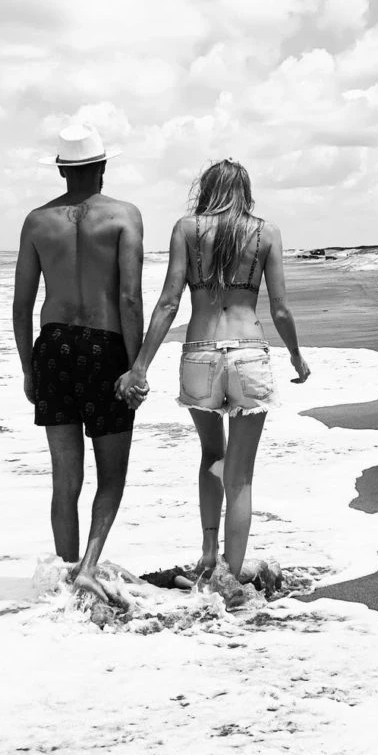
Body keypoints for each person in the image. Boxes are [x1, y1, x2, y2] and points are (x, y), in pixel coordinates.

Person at [116, 158, 310, 595]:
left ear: (205, 190)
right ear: (246, 192)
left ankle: (208, 553)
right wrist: (296, 355)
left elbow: (168, 302)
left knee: (211, 455)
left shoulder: (187, 229)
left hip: (200, 354)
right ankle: (230, 577)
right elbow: (279, 308)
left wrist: (140, 365)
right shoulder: (266, 233)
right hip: (249, 355)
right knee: (240, 474)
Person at [13, 124, 145, 601]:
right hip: (105, 349)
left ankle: (67, 580)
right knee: (112, 475)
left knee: (65, 478)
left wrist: (29, 368)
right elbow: (129, 299)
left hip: (53, 348)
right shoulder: (124, 216)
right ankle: (88, 567)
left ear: (61, 171)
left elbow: (21, 305)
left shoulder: (37, 222)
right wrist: (136, 366)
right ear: (103, 167)